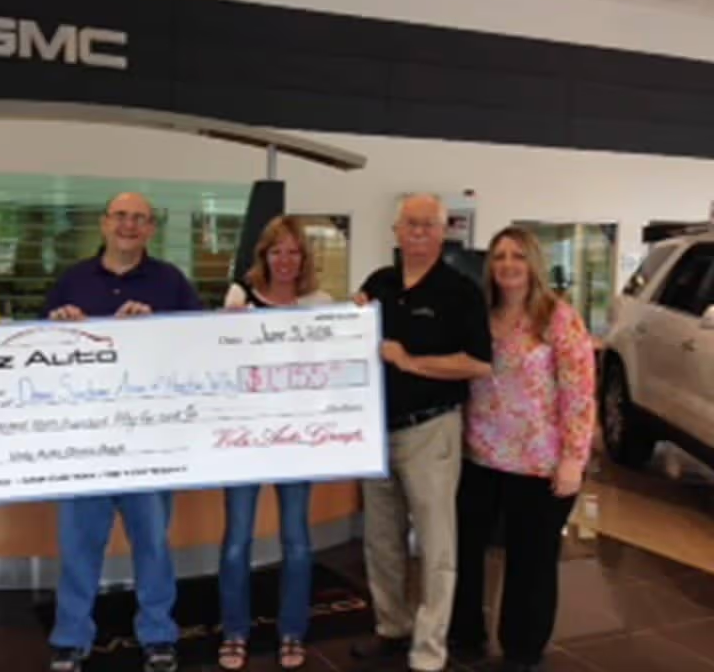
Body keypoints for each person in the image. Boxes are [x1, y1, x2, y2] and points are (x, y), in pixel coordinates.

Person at [44, 192, 202, 672]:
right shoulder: (71, 281)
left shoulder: (171, 282)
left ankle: (158, 635)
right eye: (120, 216)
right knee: (78, 547)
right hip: (85, 443)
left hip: (149, 441)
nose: (129, 225)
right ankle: (71, 637)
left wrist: (159, 327)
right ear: (103, 223)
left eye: (139, 219)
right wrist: (57, 328)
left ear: (151, 228)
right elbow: (31, 355)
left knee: (153, 546)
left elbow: (200, 349)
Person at [350, 193, 493, 672]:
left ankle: (430, 647)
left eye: (427, 225)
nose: (417, 232)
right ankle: (392, 627)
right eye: (409, 224)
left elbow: (476, 362)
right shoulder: (379, 283)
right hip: (376, 432)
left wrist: (410, 361)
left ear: (442, 231)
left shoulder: (461, 290)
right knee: (381, 538)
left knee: (436, 544)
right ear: (396, 229)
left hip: (431, 429)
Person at [449, 227, 596, 672]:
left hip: (538, 461)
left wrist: (574, 459)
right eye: (499, 257)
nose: (507, 265)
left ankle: (523, 648)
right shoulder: (479, 315)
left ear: (532, 263)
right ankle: (465, 634)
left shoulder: (558, 318)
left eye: (517, 256)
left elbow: (580, 392)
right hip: (479, 455)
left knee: (530, 562)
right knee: (467, 552)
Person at [215, 216, 332, 672]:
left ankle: (291, 632)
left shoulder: (319, 303)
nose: (285, 260)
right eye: (276, 251)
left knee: (297, 542)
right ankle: (234, 632)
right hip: (245, 438)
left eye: (293, 251)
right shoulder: (238, 299)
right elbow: (221, 364)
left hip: (296, 440)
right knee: (235, 543)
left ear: (305, 258)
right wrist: (227, 330)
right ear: (262, 256)